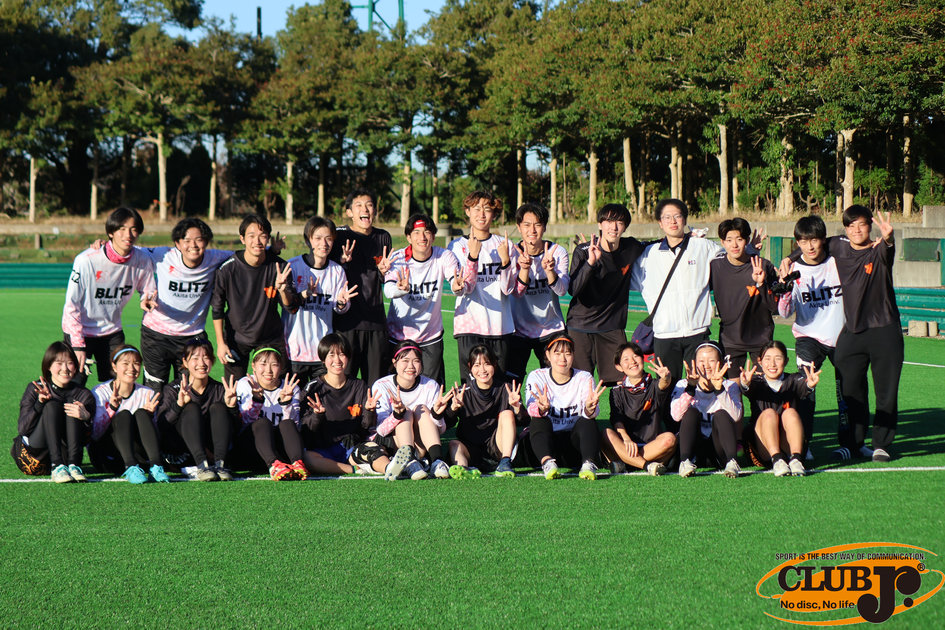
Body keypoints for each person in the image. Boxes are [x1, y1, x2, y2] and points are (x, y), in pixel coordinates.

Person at [782, 207, 901, 462]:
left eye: (862, 224)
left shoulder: (878, 250)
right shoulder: (838, 245)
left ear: (870, 226)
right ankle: (850, 444)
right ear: (845, 229)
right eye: (851, 225)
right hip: (852, 332)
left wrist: (889, 237)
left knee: (886, 391)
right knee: (850, 389)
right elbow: (810, 243)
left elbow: (887, 250)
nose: (856, 230)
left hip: (884, 329)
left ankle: (881, 444)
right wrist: (789, 258)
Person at [776, 215, 849, 460]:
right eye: (804, 241)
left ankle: (850, 443)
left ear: (823, 240)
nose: (810, 246)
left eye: (815, 240)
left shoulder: (838, 262)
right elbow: (784, 312)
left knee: (848, 391)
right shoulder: (793, 270)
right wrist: (786, 288)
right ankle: (803, 445)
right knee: (805, 390)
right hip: (808, 337)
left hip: (842, 337)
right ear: (797, 243)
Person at [631, 199, 726, 383]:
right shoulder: (648, 254)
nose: (673, 221)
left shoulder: (702, 247)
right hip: (664, 335)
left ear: (685, 219)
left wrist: (751, 250)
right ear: (660, 223)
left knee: (700, 386)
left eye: (677, 216)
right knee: (667, 386)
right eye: (667, 217)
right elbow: (625, 276)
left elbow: (729, 260)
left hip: (697, 332)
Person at [62, 206, 157, 384]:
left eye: (133, 229)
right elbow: (71, 305)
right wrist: (78, 345)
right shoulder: (86, 260)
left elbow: (148, 289)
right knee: (73, 386)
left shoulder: (142, 259)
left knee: (118, 385)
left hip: (112, 332)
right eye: (122, 229)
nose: (128, 235)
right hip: (80, 331)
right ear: (111, 232)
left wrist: (146, 299)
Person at [567, 203, 646, 385]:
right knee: (579, 381)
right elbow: (573, 289)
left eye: (619, 222)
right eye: (609, 221)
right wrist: (590, 263)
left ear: (625, 227)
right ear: (600, 224)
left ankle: (619, 406)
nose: (614, 227)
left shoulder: (631, 247)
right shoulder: (583, 251)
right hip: (580, 325)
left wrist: (688, 237)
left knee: (620, 380)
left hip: (612, 326)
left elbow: (654, 244)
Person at [211, 214, 295, 380]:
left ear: (268, 238)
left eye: (262, 236)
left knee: (279, 383)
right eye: (251, 236)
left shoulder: (280, 267)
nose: (257, 241)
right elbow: (217, 309)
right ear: (242, 239)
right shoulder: (227, 269)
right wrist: (221, 344)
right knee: (234, 387)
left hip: (270, 336)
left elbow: (290, 307)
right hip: (236, 338)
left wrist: (282, 289)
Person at [384, 214, 464, 384]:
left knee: (431, 387)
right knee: (399, 386)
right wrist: (400, 290)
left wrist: (457, 286)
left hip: (431, 337)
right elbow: (388, 291)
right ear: (408, 237)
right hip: (399, 335)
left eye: (427, 232)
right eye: (416, 232)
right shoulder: (398, 258)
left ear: (433, 236)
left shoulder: (444, 256)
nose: (422, 237)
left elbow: (454, 281)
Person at [448, 191, 518, 381]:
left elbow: (508, 289)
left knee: (499, 384)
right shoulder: (456, 246)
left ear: (494, 214)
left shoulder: (505, 245)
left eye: (487, 209)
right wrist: (473, 256)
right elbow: (465, 288)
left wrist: (505, 262)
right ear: (467, 211)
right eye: (476, 208)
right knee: (470, 386)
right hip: (468, 326)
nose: (481, 214)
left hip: (499, 326)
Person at [299, 334, 390, 476]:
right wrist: (317, 415)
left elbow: (366, 425)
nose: (337, 360)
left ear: (348, 357)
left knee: (372, 448)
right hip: (322, 449)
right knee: (308, 459)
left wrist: (369, 411)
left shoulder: (359, 385)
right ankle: (355, 469)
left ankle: (390, 468)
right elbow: (305, 429)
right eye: (331, 355)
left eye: (341, 354)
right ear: (323, 359)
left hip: (351, 448)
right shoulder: (313, 388)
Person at [283, 216, 358, 387]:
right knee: (295, 399)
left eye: (328, 238)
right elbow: (288, 305)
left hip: (323, 352)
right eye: (317, 238)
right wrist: (304, 294)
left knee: (322, 399)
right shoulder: (293, 266)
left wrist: (341, 303)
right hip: (295, 351)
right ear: (308, 240)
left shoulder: (337, 271)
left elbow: (340, 308)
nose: (323, 243)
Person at [329, 188, 393, 386]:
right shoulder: (339, 236)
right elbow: (325, 268)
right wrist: (341, 261)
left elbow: (385, 278)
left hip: (376, 323)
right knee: (343, 383)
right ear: (349, 212)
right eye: (359, 205)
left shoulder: (383, 237)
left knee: (376, 385)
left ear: (375, 211)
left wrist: (384, 272)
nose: (365, 209)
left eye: (369, 205)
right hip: (346, 324)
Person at [521, 335, 607, 480]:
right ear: (548, 355)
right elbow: (531, 408)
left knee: (587, 421)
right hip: (546, 442)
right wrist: (541, 408)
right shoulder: (537, 376)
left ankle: (588, 464)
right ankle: (548, 463)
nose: (563, 359)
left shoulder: (584, 377)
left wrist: (589, 408)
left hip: (574, 443)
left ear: (573, 355)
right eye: (557, 353)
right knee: (538, 418)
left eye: (567, 353)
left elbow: (591, 413)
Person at [156, 338, 240, 481]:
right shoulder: (173, 389)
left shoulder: (220, 389)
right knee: (191, 408)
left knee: (219, 407)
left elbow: (235, 429)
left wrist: (232, 408)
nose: (201, 363)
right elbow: (162, 425)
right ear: (185, 362)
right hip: (183, 452)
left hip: (213, 452)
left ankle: (220, 465)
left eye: (206, 357)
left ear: (212, 361)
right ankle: (202, 466)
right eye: (195, 358)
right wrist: (179, 405)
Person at [12, 342, 95, 482]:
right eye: (59, 363)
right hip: (35, 459)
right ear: (48, 366)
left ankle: (73, 465)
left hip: (67, 459)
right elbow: (23, 429)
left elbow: (87, 440)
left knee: (73, 406)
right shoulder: (35, 388)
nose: (65, 369)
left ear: (76, 367)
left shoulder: (83, 394)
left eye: (70, 363)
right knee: (52, 406)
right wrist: (40, 404)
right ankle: (57, 467)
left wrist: (86, 418)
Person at [371, 341, 454, 480]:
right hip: (393, 445)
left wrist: (437, 415)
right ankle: (409, 462)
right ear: (394, 362)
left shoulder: (430, 385)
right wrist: (397, 415)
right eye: (405, 361)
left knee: (421, 409)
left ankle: (438, 461)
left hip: (421, 445)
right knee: (407, 412)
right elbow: (380, 431)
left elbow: (440, 430)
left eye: (416, 361)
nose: (410, 366)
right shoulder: (382, 385)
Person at [88, 345, 168, 484]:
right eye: (125, 363)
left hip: (140, 458)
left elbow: (158, 436)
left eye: (136, 363)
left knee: (142, 413)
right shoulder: (100, 392)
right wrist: (112, 409)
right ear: (114, 366)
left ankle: (156, 467)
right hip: (108, 457)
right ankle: (130, 467)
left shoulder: (147, 393)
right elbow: (95, 434)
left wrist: (150, 417)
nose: (131, 368)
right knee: (123, 415)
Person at [739, 341, 820, 477]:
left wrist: (810, 386)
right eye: (767, 359)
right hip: (763, 447)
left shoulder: (794, 379)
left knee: (790, 412)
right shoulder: (756, 382)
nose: (772, 364)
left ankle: (796, 460)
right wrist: (745, 384)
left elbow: (803, 387)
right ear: (759, 361)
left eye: (778, 358)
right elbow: (747, 389)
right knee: (769, 414)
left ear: (786, 361)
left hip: (788, 445)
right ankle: (777, 460)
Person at [710, 217, 778, 377]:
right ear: (722, 242)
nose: (734, 245)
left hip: (761, 339)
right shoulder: (715, 266)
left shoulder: (763, 265)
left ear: (747, 240)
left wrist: (761, 284)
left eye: (739, 239)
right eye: (729, 240)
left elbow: (774, 307)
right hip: (730, 340)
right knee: (732, 388)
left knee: (762, 388)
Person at [508, 203, 570, 381]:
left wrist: (550, 271)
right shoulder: (511, 253)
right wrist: (524, 269)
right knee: (512, 382)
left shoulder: (557, 252)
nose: (532, 230)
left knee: (557, 379)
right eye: (527, 225)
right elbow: (515, 292)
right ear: (519, 227)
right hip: (518, 330)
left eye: (537, 224)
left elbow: (562, 291)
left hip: (552, 328)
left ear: (544, 227)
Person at [444, 345, 522, 479]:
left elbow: (524, 421)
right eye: (477, 365)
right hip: (470, 449)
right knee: (453, 444)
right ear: (470, 367)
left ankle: (505, 462)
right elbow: (446, 424)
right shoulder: (462, 392)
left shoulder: (507, 389)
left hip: (497, 447)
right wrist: (453, 409)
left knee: (507, 414)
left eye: (487, 364)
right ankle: (463, 468)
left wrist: (517, 408)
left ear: (494, 365)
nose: (482, 370)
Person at [601, 343, 676, 476]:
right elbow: (617, 419)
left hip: (651, 446)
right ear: (619, 366)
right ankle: (646, 465)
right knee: (606, 434)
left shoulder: (653, 385)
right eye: (626, 359)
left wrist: (666, 378)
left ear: (642, 359)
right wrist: (626, 439)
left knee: (670, 439)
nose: (632, 361)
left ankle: (626, 463)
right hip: (626, 445)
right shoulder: (616, 391)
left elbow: (663, 385)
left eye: (636, 356)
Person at [670, 342, 743, 478]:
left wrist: (719, 390)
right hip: (694, 448)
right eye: (701, 361)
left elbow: (736, 416)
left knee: (721, 414)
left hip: (719, 449)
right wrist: (690, 389)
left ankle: (732, 462)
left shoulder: (730, 385)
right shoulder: (683, 384)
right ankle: (685, 462)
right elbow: (676, 416)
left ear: (720, 363)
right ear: (694, 363)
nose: (706, 366)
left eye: (712, 361)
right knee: (691, 412)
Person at [235, 347, 307, 481]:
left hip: (281, 449)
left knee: (287, 423)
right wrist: (257, 400)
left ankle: (297, 464)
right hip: (253, 448)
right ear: (253, 366)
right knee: (262, 423)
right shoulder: (245, 384)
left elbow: (295, 427)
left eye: (274, 364)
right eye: (263, 364)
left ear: (281, 367)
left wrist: (286, 404)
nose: (268, 370)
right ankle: (274, 465)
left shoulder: (290, 387)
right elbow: (244, 423)